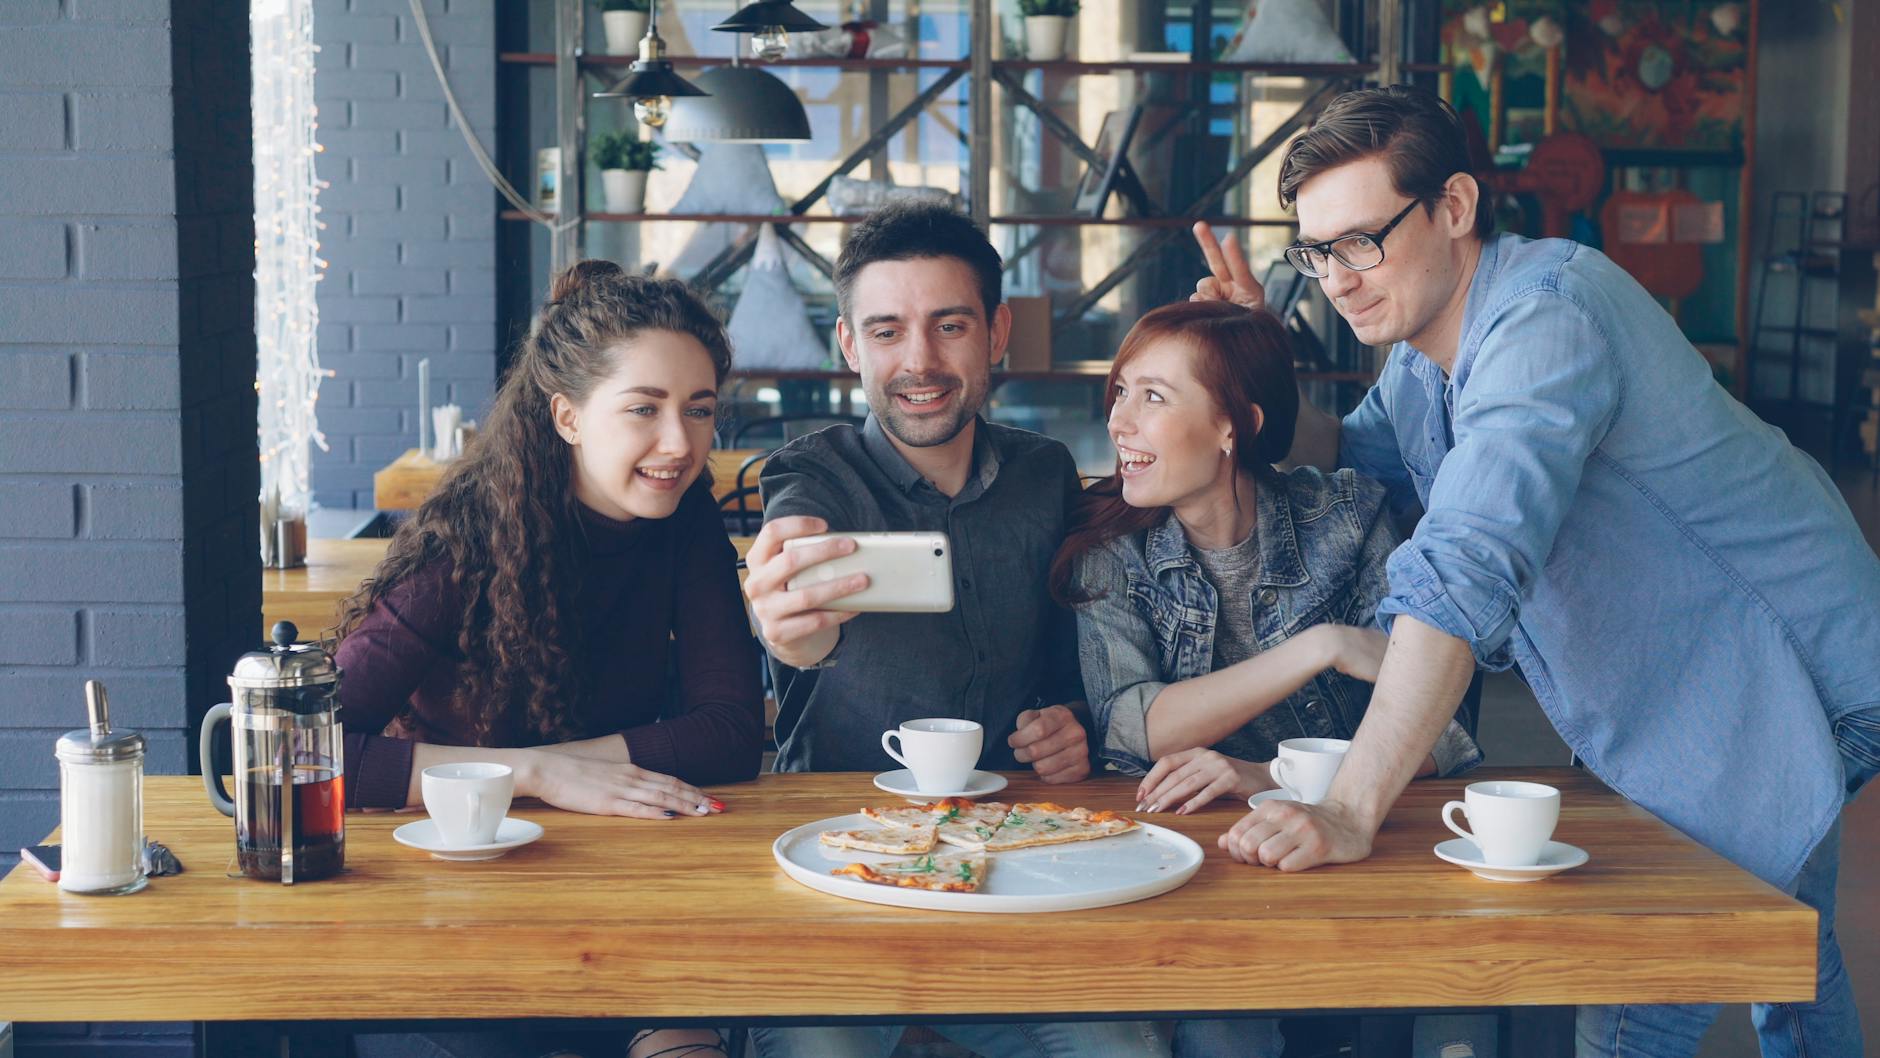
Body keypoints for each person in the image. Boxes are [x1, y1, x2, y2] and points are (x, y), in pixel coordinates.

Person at [1190, 84, 1880, 1058]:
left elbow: (1464, 566)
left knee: (1639, 989)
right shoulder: (1427, 356)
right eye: (1315, 251)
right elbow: (1349, 453)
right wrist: (1252, 361)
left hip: (1789, 664)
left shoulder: (1545, 320)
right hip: (1703, 674)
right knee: (1790, 957)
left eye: (1361, 239)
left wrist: (1348, 805)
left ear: (1455, 207)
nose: (1337, 278)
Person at [740, 202, 1168, 1058]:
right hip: (841, 865)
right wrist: (788, 628)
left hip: (1017, 861)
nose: (920, 362)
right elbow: (793, 584)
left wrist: (1071, 724)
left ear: (997, 331)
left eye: (950, 325)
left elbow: (1072, 661)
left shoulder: (1045, 474)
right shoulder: (810, 472)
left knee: (1125, 1044)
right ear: (851, 348)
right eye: (887, 331)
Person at [337, 261, 762, 1058]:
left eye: (699, 410)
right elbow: (307, 756)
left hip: (626, 906)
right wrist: (528, 776)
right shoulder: (466, 537)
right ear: (566, 416)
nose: (681, 444)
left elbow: (732, 730)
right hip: (457, 904)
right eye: (645, 409)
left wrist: (552, 764)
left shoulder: (685, 515)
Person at [1054, 299, 1480, 1058]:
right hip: (1204, 866)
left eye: (1152, 396)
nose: (1119, 421)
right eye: (1120, 391)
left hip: (1369, 852)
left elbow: (1440, 731)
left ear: (1232, 426)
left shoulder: (1346, 519)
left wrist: (1259, 773)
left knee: (1467, 1005)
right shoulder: (1108, 545)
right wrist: (1317, 646)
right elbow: (1133, 725)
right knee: (1226, 1023)